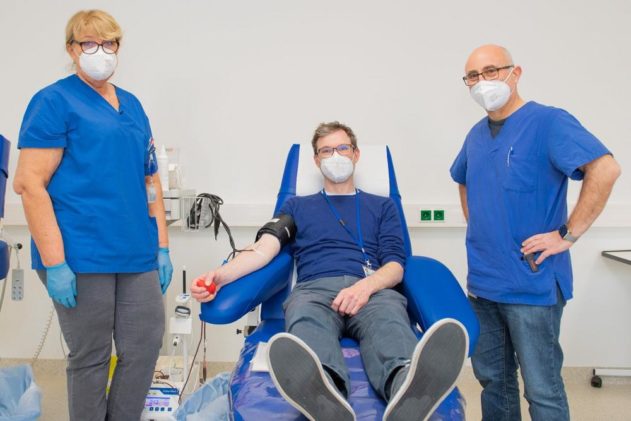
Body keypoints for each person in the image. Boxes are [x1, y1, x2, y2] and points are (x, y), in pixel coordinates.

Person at [192, 121, 468, 421]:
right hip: (315, 291)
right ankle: (324, 394)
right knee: (306, 319)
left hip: (372, 289)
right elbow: (262, 250)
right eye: (326, 150)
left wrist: (365, 288)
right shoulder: (296, 206)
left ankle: (407, 389)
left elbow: (395, 266)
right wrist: (220, 276)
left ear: (356, 154)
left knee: (389, 322)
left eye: (342, 148)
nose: (335, 156)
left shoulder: (382, 206)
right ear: (316, 160)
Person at [13, 10, 173, 421]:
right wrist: (55, 263)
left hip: (136, 250)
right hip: (80, 252)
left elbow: (150, 179)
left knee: (144, 346)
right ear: (71, 49)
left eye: (109, 43)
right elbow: (30, 184)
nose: (100, 52)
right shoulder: (54, 101)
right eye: (89, 43)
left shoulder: (132, 105)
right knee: (91, 356)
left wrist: (161, 246)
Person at [450, 44, 621, 421]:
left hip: (532, 282)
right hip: (484, 283)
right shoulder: (476, 136)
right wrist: (477, 222)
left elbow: (605, 169)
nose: (482, 82)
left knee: (542, 388)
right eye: (473, 76)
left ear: (515, 73)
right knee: (494, 382)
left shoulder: (549, 122)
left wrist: (567, 235)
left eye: (491, 71)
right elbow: (462, 177)